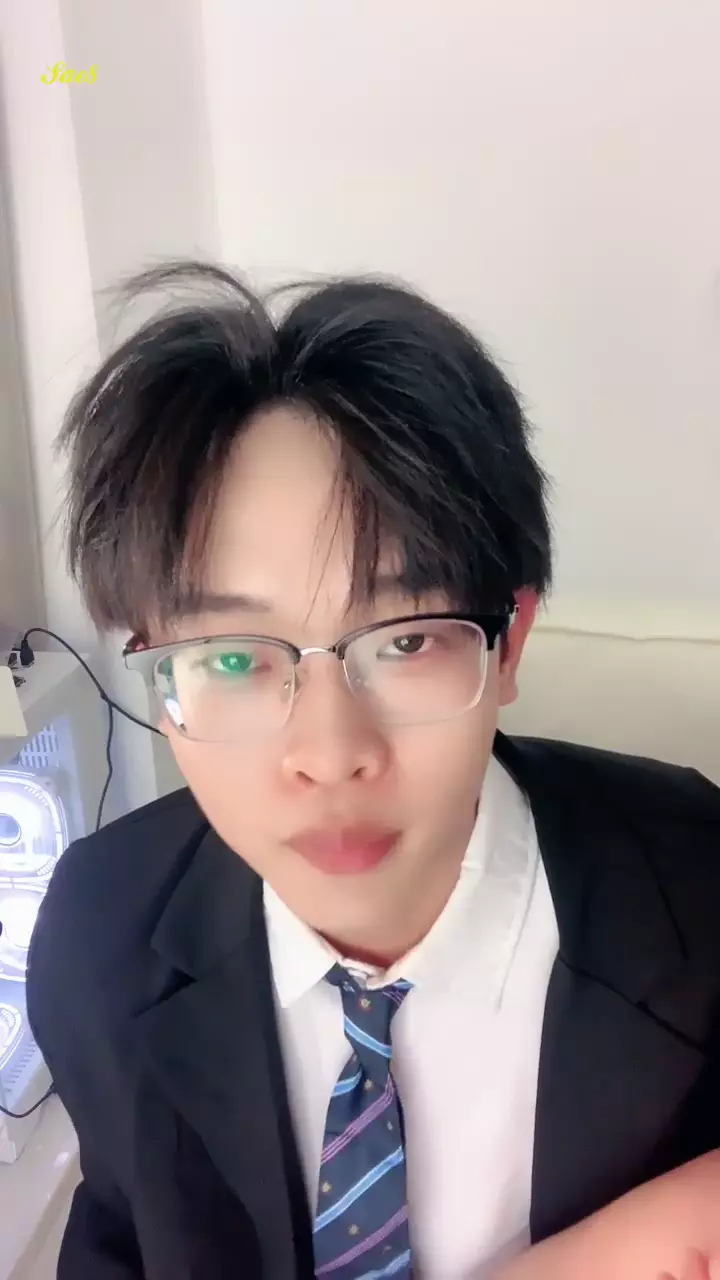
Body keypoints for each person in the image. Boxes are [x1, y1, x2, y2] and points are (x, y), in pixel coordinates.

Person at [26, 262, 720, 1280]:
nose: (329, 754)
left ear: (509, 644)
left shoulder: (701, 888)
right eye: (232, 659)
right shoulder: (102, 930)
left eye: (405, 640)